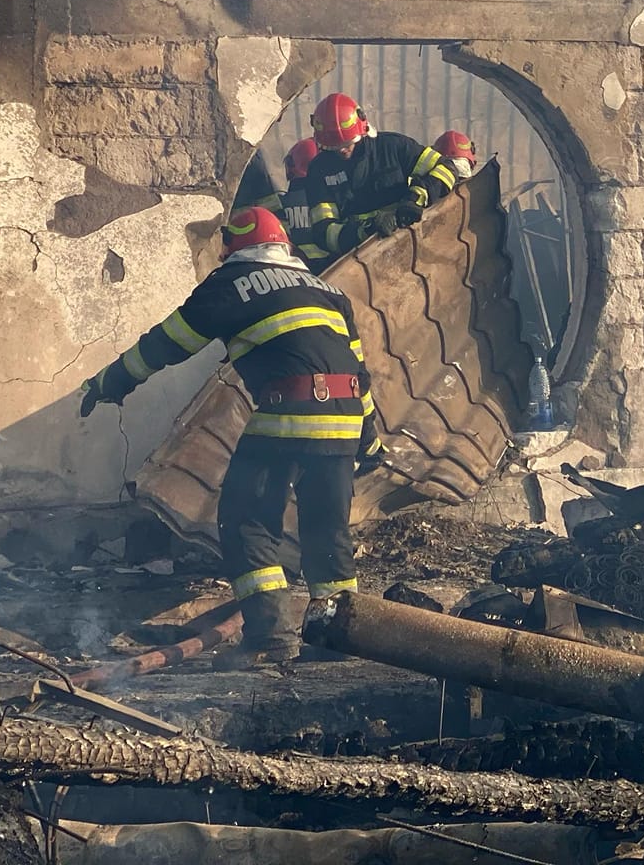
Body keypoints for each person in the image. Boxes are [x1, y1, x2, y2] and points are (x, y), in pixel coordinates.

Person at [77, 206, 380, 663]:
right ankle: (338, 640)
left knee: (247, 520)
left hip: (286, 414)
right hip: (345, 420)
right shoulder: (330, 293)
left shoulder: (230, 285)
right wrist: (370, 437)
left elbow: (166, 343)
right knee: (326, 529)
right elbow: (359, 373)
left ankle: (272, 638)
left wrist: (111, 382)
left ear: (235, 247)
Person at [302, 93, 457, 257]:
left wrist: (415, 198)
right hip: (361, 257)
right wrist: (366, 229)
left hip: (416, 240)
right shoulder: (319, 170)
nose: (341, 149)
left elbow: (447, 169)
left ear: (362, 130)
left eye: (347, 143)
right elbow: (324, 233)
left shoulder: (393, 147)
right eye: (333, 146)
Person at [274, 138, 329, 265]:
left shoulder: (280, 204)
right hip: (334, 268)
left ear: (292, 166)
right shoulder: (331, 200)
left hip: (296, 271)